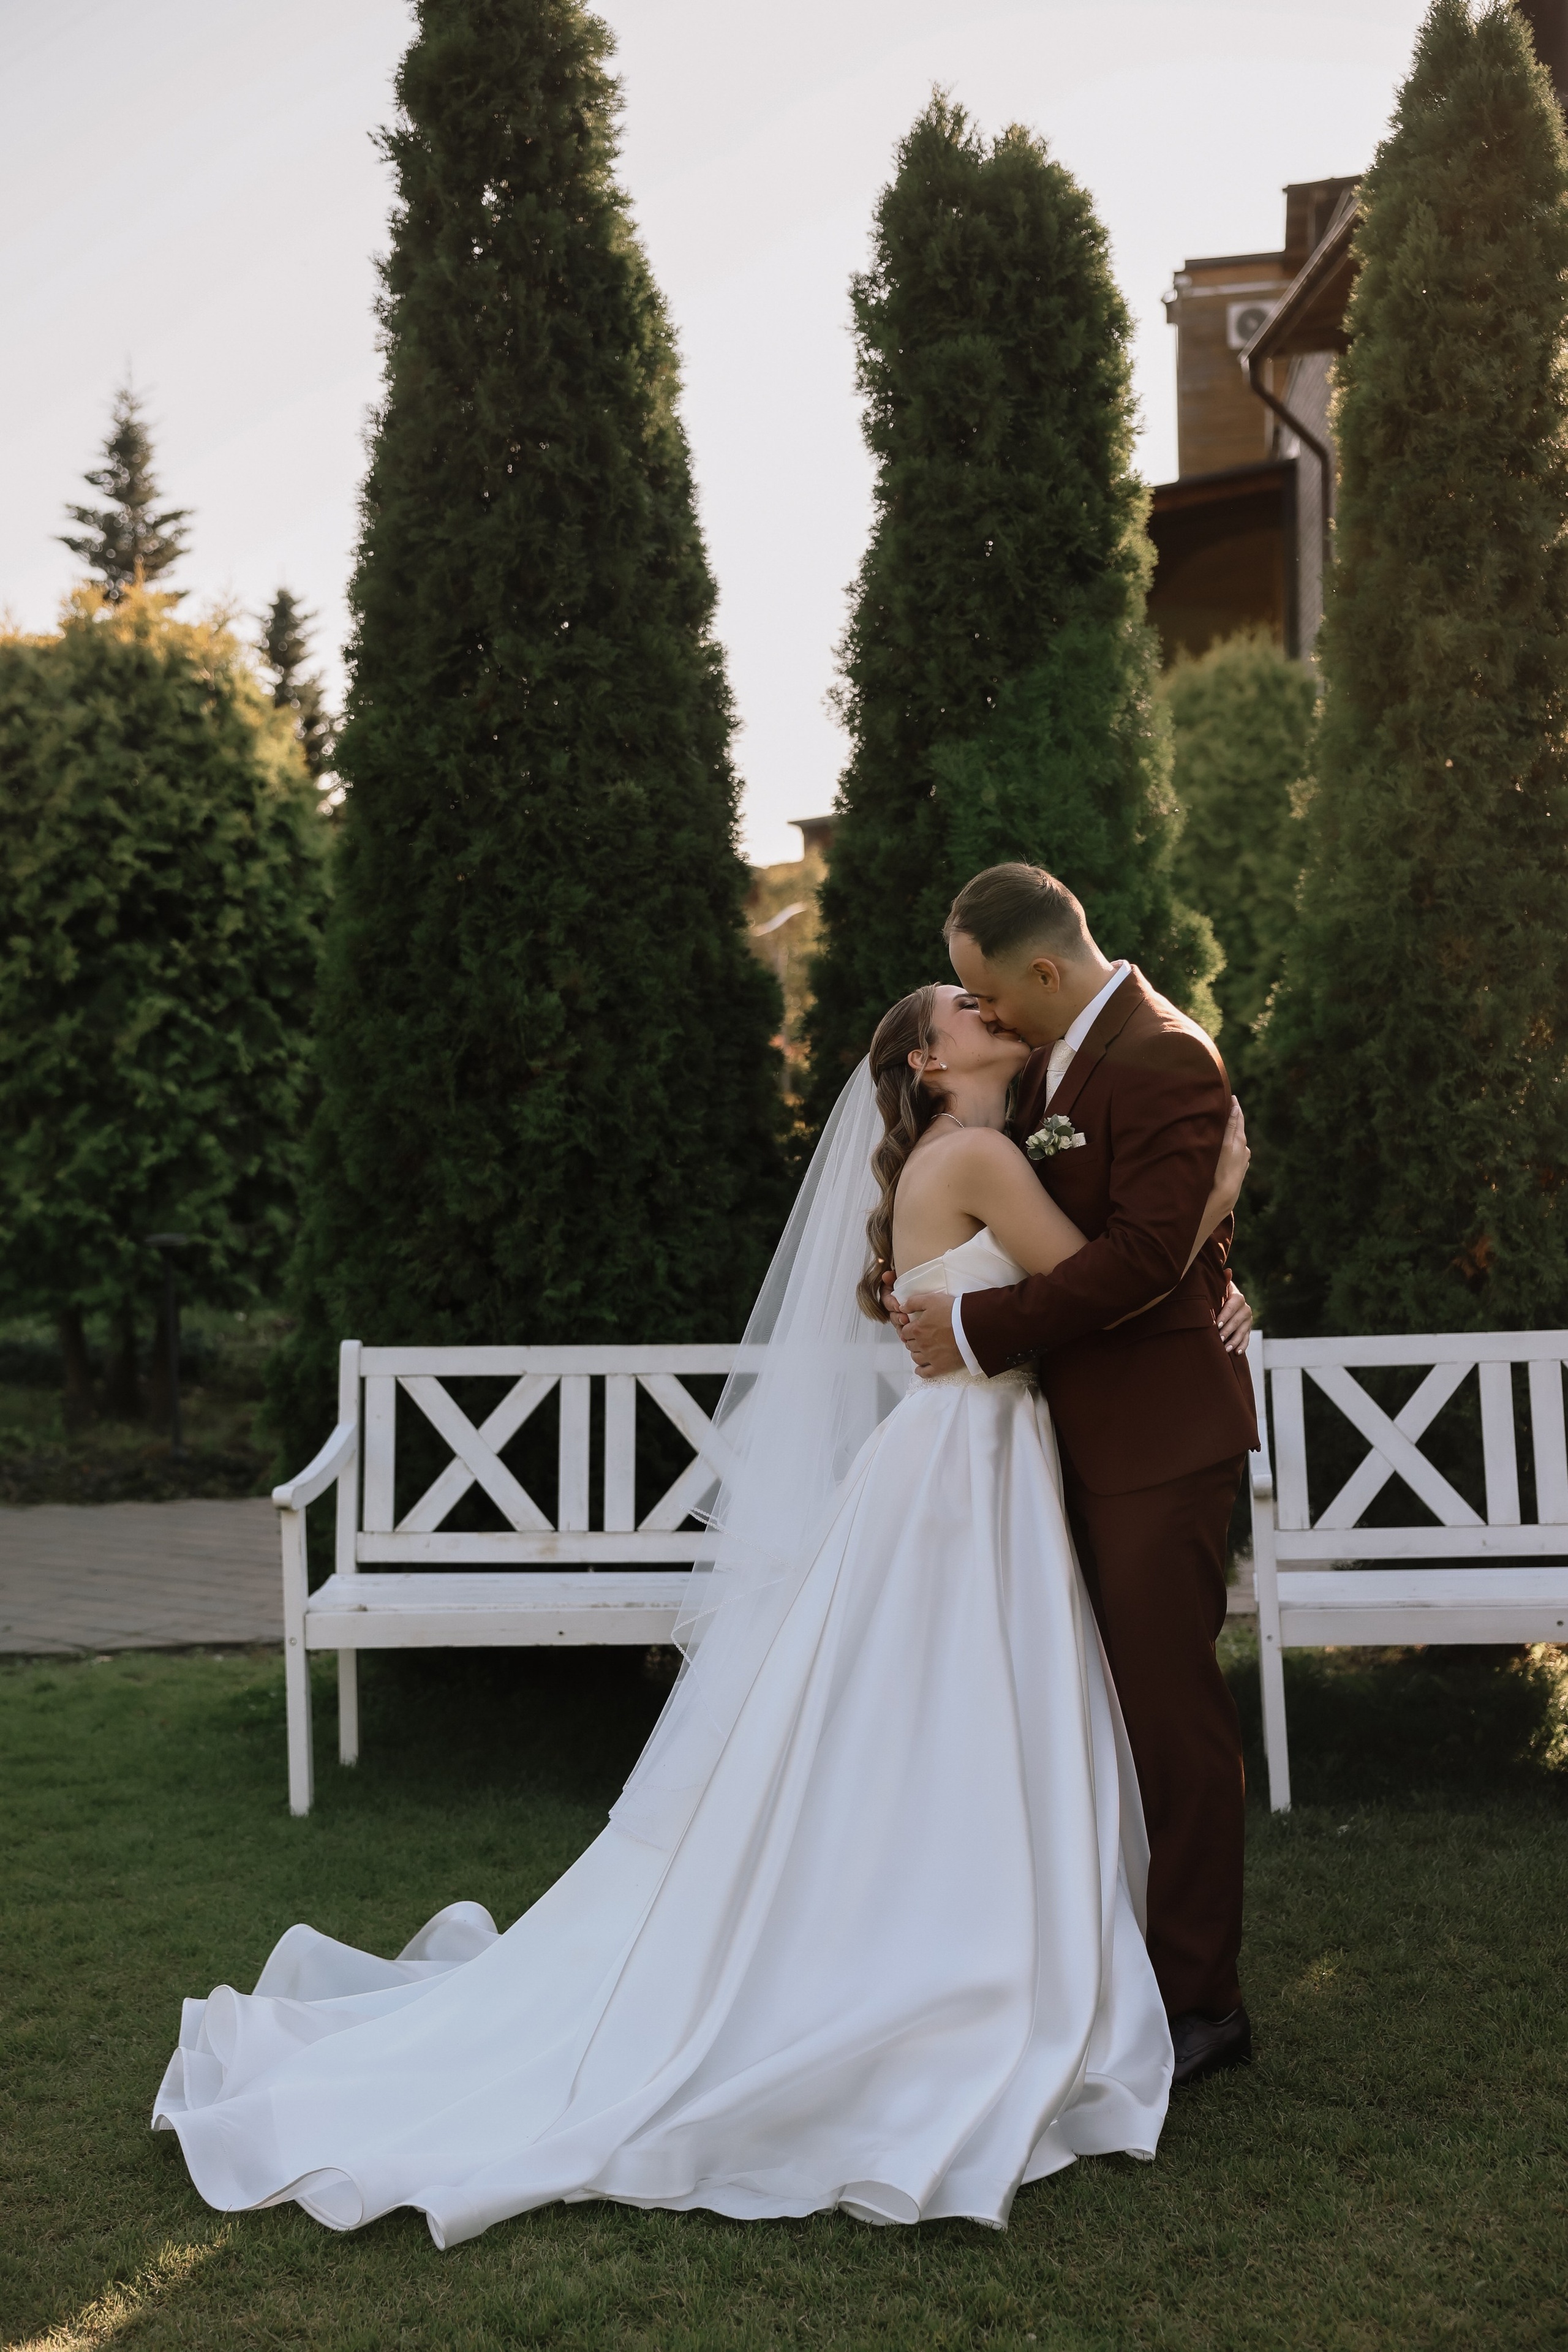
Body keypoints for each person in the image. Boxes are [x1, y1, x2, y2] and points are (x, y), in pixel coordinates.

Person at [152, 984, 1250, 2246]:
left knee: (931, 1712)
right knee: (956, 1702)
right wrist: (1215, 1197)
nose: (983, 1004)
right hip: (966, 1468)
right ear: (927, 1061)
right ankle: (961, 1951)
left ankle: (944, 1934)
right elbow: (1109, 1281)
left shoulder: (984, 1148)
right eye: (959, 1003)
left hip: (971, 1456)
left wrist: (1200, 1273)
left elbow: (1080, 1291)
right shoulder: (978, 1156)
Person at [892, 864, 1261, 2087]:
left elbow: (1142, 1253)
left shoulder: (1163, 1054)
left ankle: (1200, 2001)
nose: (987, 1015)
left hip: (1156, 1440)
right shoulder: (1049, 1065)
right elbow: (1136, 1231)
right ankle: (1091, 1963)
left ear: (1044, 971)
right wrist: (1211, 1237)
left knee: (1168, 1716)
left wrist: (979, 1328)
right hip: (1062, 1437)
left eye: (991, 994)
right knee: (1088, 1716)